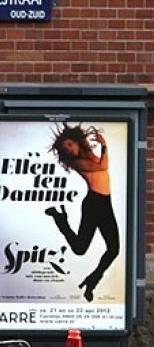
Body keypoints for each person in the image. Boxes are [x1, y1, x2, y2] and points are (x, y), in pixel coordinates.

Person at [46, 123, 119, 302]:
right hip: (93, 203)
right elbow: (103, 166)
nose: (69, 149)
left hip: (105, 203)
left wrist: (94, 142)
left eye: (70, 144)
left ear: (77, 142)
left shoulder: (87, 155)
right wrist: (104, 146)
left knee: (113, 249)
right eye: (66, 148)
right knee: (80, 248)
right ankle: (60, 219)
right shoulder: (78, 162)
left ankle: (92, 281)